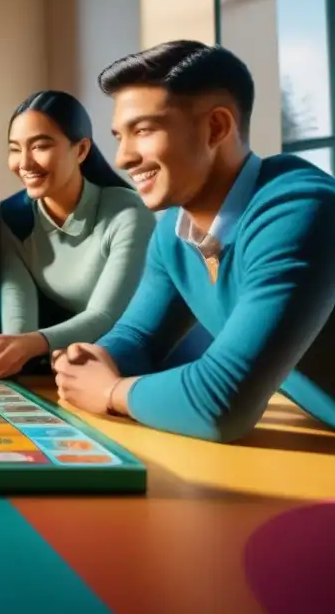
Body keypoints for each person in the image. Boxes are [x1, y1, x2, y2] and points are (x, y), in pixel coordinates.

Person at [54, 40, 335, 442]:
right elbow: (139, 337)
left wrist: (110, 391)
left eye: (144, 130)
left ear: (216, 127)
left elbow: (222, 403)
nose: (122, 157)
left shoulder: (300, 210)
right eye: (120, 135)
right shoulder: (174, 230)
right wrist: (94, 359)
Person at [0, 91, 157, 379]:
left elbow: (105, 315)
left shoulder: (129, 213)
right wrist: (10, 350)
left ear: (81, 150)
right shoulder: (13, 216)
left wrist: (31, 345)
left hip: (131, 344)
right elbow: (17, 304)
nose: (24, 162)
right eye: (14, 148)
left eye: (40, 146)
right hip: (60, 351)